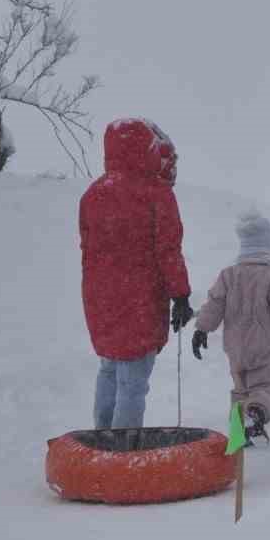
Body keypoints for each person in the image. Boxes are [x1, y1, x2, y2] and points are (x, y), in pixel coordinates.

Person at [79, 118, 192, 429]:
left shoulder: (92, 195)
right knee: (133, 381)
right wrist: (180, 294)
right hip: (140, 299)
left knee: (110, 370)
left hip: (101, 300)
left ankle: (99, 441)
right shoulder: (156, 194)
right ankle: (122, 451)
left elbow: (89, 251)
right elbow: (168, 250)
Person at [190, 212, 270, 443]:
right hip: (264, 345)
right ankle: (256, 413)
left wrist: (201, 329)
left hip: (235, 347)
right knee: (268, 386)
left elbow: (214, 304)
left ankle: (239, 434)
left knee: (240, 390)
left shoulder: (228, 275)